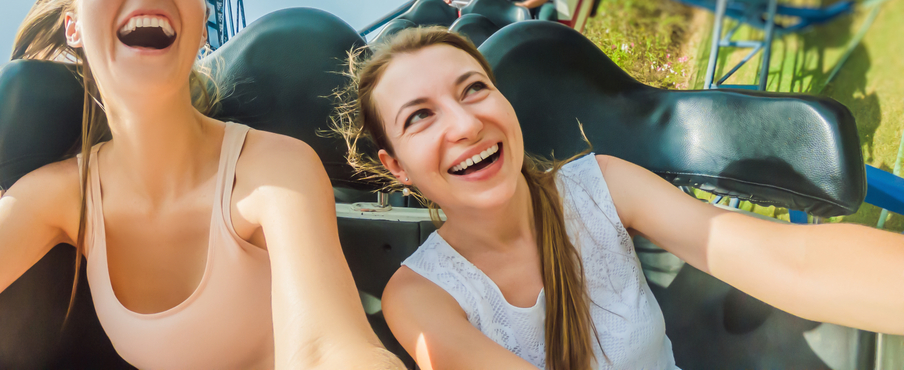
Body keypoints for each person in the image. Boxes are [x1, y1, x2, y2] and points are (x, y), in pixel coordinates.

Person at [0, 0, 404, 370]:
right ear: (73, 26)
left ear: (203, 26)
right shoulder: (60, 194)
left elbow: (327, 347)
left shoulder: (273, 167)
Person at [333, 27, 904, 370]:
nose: (464, 124)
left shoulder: (600, 184)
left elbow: (789, 261)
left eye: (474, 88)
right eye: (420, 117)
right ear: (396, 167)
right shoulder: (418, 297)